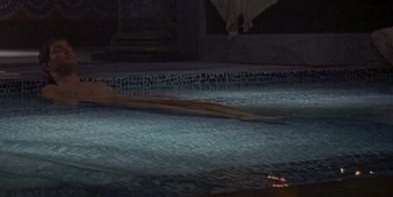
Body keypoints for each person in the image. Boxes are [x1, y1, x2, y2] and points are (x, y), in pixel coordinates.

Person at [39, 36, 283, 121]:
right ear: (47, 65)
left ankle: (243, 114)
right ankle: (242, 118)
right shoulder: (50, 90)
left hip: (123, 100)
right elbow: (67, 108)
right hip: (116, 106)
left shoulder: (96, 84)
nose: (67, 52)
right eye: (58, 50)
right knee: (171, 108)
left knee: (183, 102)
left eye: (69, 48)